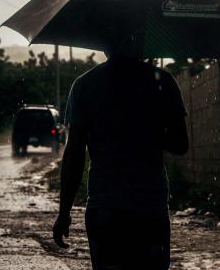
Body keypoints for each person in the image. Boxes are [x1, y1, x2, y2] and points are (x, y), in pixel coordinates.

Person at [52, 33, 189, 269]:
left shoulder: (85, 85)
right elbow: (181, 144)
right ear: (139, 41)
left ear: (104, 44)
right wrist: (149, 130)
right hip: (149, 208)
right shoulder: (162, 82)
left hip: (105, 207)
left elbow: (74, 154)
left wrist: (64, 213)